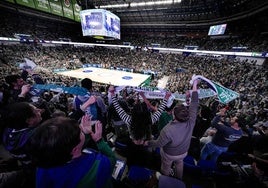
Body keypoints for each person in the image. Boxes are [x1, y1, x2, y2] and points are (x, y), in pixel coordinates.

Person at [28, 115, 116, 188]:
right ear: (74, 150)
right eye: (80, 131)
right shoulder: (98, 164)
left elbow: (72, 149)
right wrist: (99, 140)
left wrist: (85, 134)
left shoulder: (44, 165)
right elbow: (111, 159)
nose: (81, 128)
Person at [143, 79, 199, 179]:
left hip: (170, 154)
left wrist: (148, 143)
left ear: (174, 115)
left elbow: (159, 144)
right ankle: (179, 179)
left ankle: (166, 179)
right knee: (179, 164)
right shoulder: (191, 120)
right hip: (183, 152)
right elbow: (194, 103)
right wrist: (194, 85)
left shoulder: (167, 130)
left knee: (166, 166)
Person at [2, 102, 43, 188]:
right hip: (39, 169)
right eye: (36, 111)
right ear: (29, 120)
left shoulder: (7, 131)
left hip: (26, 165)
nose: (40, 110)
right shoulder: (37, 137)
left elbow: (15, 111)